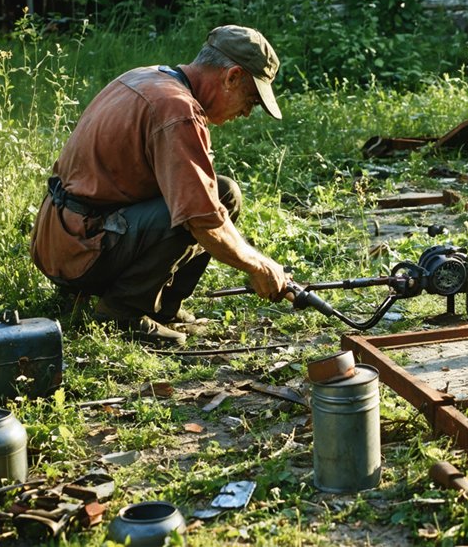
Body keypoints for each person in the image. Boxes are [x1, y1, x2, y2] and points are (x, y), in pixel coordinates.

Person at [30, 25, 290, 345]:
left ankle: (162, 307)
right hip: (80, 249)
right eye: (250, 99)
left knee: (223, 193)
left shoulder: (150, 76)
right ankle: (122, 313)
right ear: (232, 76)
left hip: (62, 237)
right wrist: (259, 265)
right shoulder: (177, 110)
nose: (248, 113)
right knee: (200, 208)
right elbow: (202, 220)